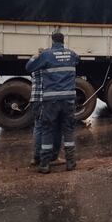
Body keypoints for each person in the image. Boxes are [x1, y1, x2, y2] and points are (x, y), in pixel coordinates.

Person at [25, 31, 79, 173]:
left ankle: (44, 164)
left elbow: (29, 68)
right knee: (68, 130)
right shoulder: (72, 54)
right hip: (68, 99)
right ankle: (71, 162)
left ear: (52, 41)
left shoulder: (46, 55)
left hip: (51, 100)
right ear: (63, 41)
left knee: (48, 129)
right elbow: (77, 60)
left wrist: (36, 56)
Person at [30, 49, 61, 166]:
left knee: (38, 127)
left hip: (35, 99)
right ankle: (52, 156)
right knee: (53, 128)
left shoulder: (33, 65)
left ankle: (36, 156)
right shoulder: (47, 66)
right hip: (46, 99)